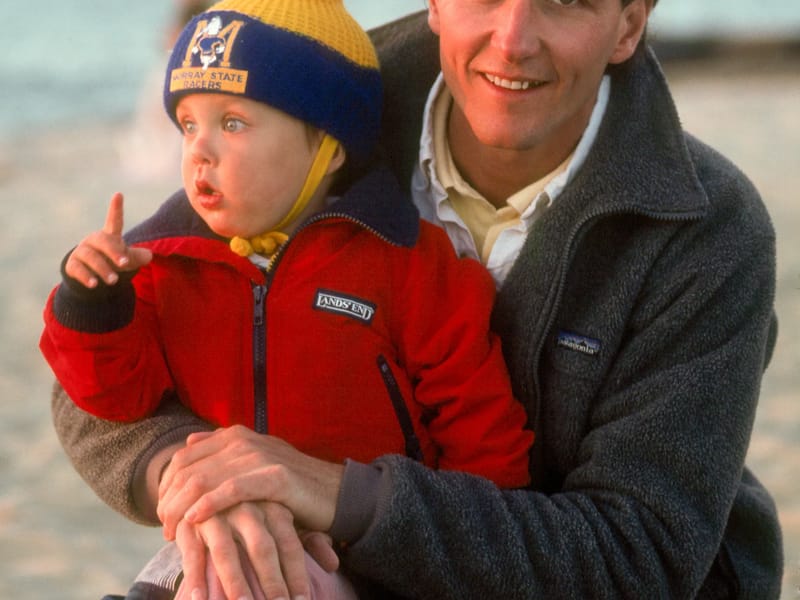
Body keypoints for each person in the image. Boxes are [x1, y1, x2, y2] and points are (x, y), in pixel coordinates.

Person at [50, 0, 785, 598]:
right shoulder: (315, 92)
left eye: (564, 1)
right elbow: (101, 365)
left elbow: (641, 559)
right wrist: (205, 479)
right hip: (325, 557)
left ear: (629, 24)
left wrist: (343, 495)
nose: (513, 40)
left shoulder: (706, 227)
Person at [40, 0, 534, 598]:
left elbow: (485, 446)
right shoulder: (163, 262)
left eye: (233, 124)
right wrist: (94, 309)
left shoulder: (408, 263)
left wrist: (441, 547)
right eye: (189, 124)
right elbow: (116, 401)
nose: (200, 150)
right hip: (216, 538)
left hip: (374, 555)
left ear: (328, 145)